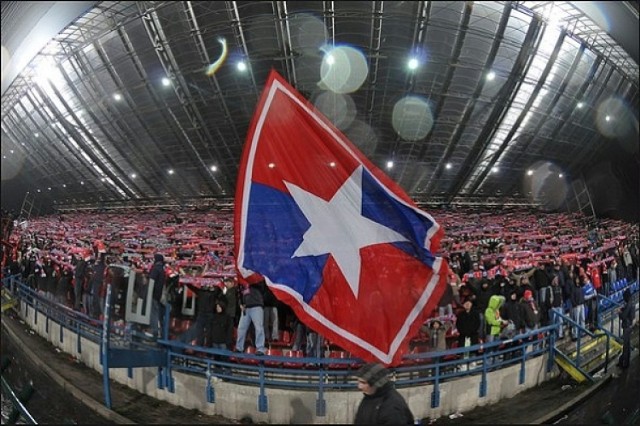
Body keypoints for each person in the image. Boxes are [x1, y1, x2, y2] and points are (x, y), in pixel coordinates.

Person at [234, 280, 266, 355]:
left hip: (257, 305)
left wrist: (251, 281)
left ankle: (260, 349)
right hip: (246, 307)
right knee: (241, 328)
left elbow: (262, 288)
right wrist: (241, 304)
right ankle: (239, 348)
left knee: (258, 327)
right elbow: (239, 293)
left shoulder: (256, 278)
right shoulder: (241, 280)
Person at [148, 253, 166, 338]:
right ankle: (158, 331)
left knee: (154, 313)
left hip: (154, 294)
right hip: (158, 294)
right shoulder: (162, 270)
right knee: (157, 313)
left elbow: (151, 281)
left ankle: (155, 331)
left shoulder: (155, 269)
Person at [617, 289, 635, 369]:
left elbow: (623, 316)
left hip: (627, 326)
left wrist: (619, 312)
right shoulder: (631, 303)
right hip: (630, 325)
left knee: (626, 346)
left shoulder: (629, 304)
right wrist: (622, 309)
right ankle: (623, 362)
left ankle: (624, 363)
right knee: (627, 345)